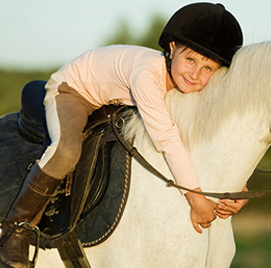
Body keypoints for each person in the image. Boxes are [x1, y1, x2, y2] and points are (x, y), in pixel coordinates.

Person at [0, 3, 247, 267]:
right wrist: (197, 201)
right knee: (67, 151)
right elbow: (167, 139)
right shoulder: (147, 76)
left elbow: (199, 141)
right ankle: (16, 230)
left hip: (111, 99)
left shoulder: (181, 82)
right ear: (172, 48)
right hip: (73, 90)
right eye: (191, 60)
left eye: (208, 69)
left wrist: (238, 188)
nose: (195, 74)